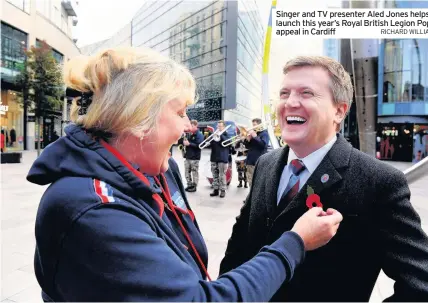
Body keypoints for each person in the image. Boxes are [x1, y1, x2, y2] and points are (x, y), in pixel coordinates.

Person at [27, 47, 344, 302]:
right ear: (138, 118)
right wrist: (295, 242)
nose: (187, 126)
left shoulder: (160, 170)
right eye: (179, 112)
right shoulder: (92, 209)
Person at [219, 56, 428, 302]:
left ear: (339, 111)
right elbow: (238, 248)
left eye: (307, 93)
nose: (290, 102)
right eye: (284, 93)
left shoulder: (379, 181)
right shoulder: (266, 163)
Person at [244, 118, 269, 187]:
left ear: (259, 125)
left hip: (258, 161)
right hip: (250, 160)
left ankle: (256, 197)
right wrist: (247, 140)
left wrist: (255, 137)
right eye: (252, 124)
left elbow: (263, 145)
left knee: (257, 182)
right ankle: (251, 197)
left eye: (254, 125)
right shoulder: (254, 133)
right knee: (250, 181)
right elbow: (248, 147)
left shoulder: (264, 133)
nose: (252, 126)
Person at [209, 120, 230, 198]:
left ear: (224, 127)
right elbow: (210, 145)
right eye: (218, 126)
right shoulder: (214, 135)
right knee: (215, 175)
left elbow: (228, 143)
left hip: (222, 158)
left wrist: (220, 135)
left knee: (222, 175)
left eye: (220, 126)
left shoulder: (227, 135)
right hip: (214, 157)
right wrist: (211, 138)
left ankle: (223, 190)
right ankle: (216, 190)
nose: (218, 128)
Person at [183, 119, 204, 192]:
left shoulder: (199, 135)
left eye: (191, 126)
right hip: (188, 156)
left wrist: (189, 144)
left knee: (194, 172)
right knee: (186, 172)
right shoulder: (189, 134)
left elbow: (199, 145)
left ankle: (194, 186)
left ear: (196, 126)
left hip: (195, 157)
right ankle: (189, 185)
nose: (190, 128)